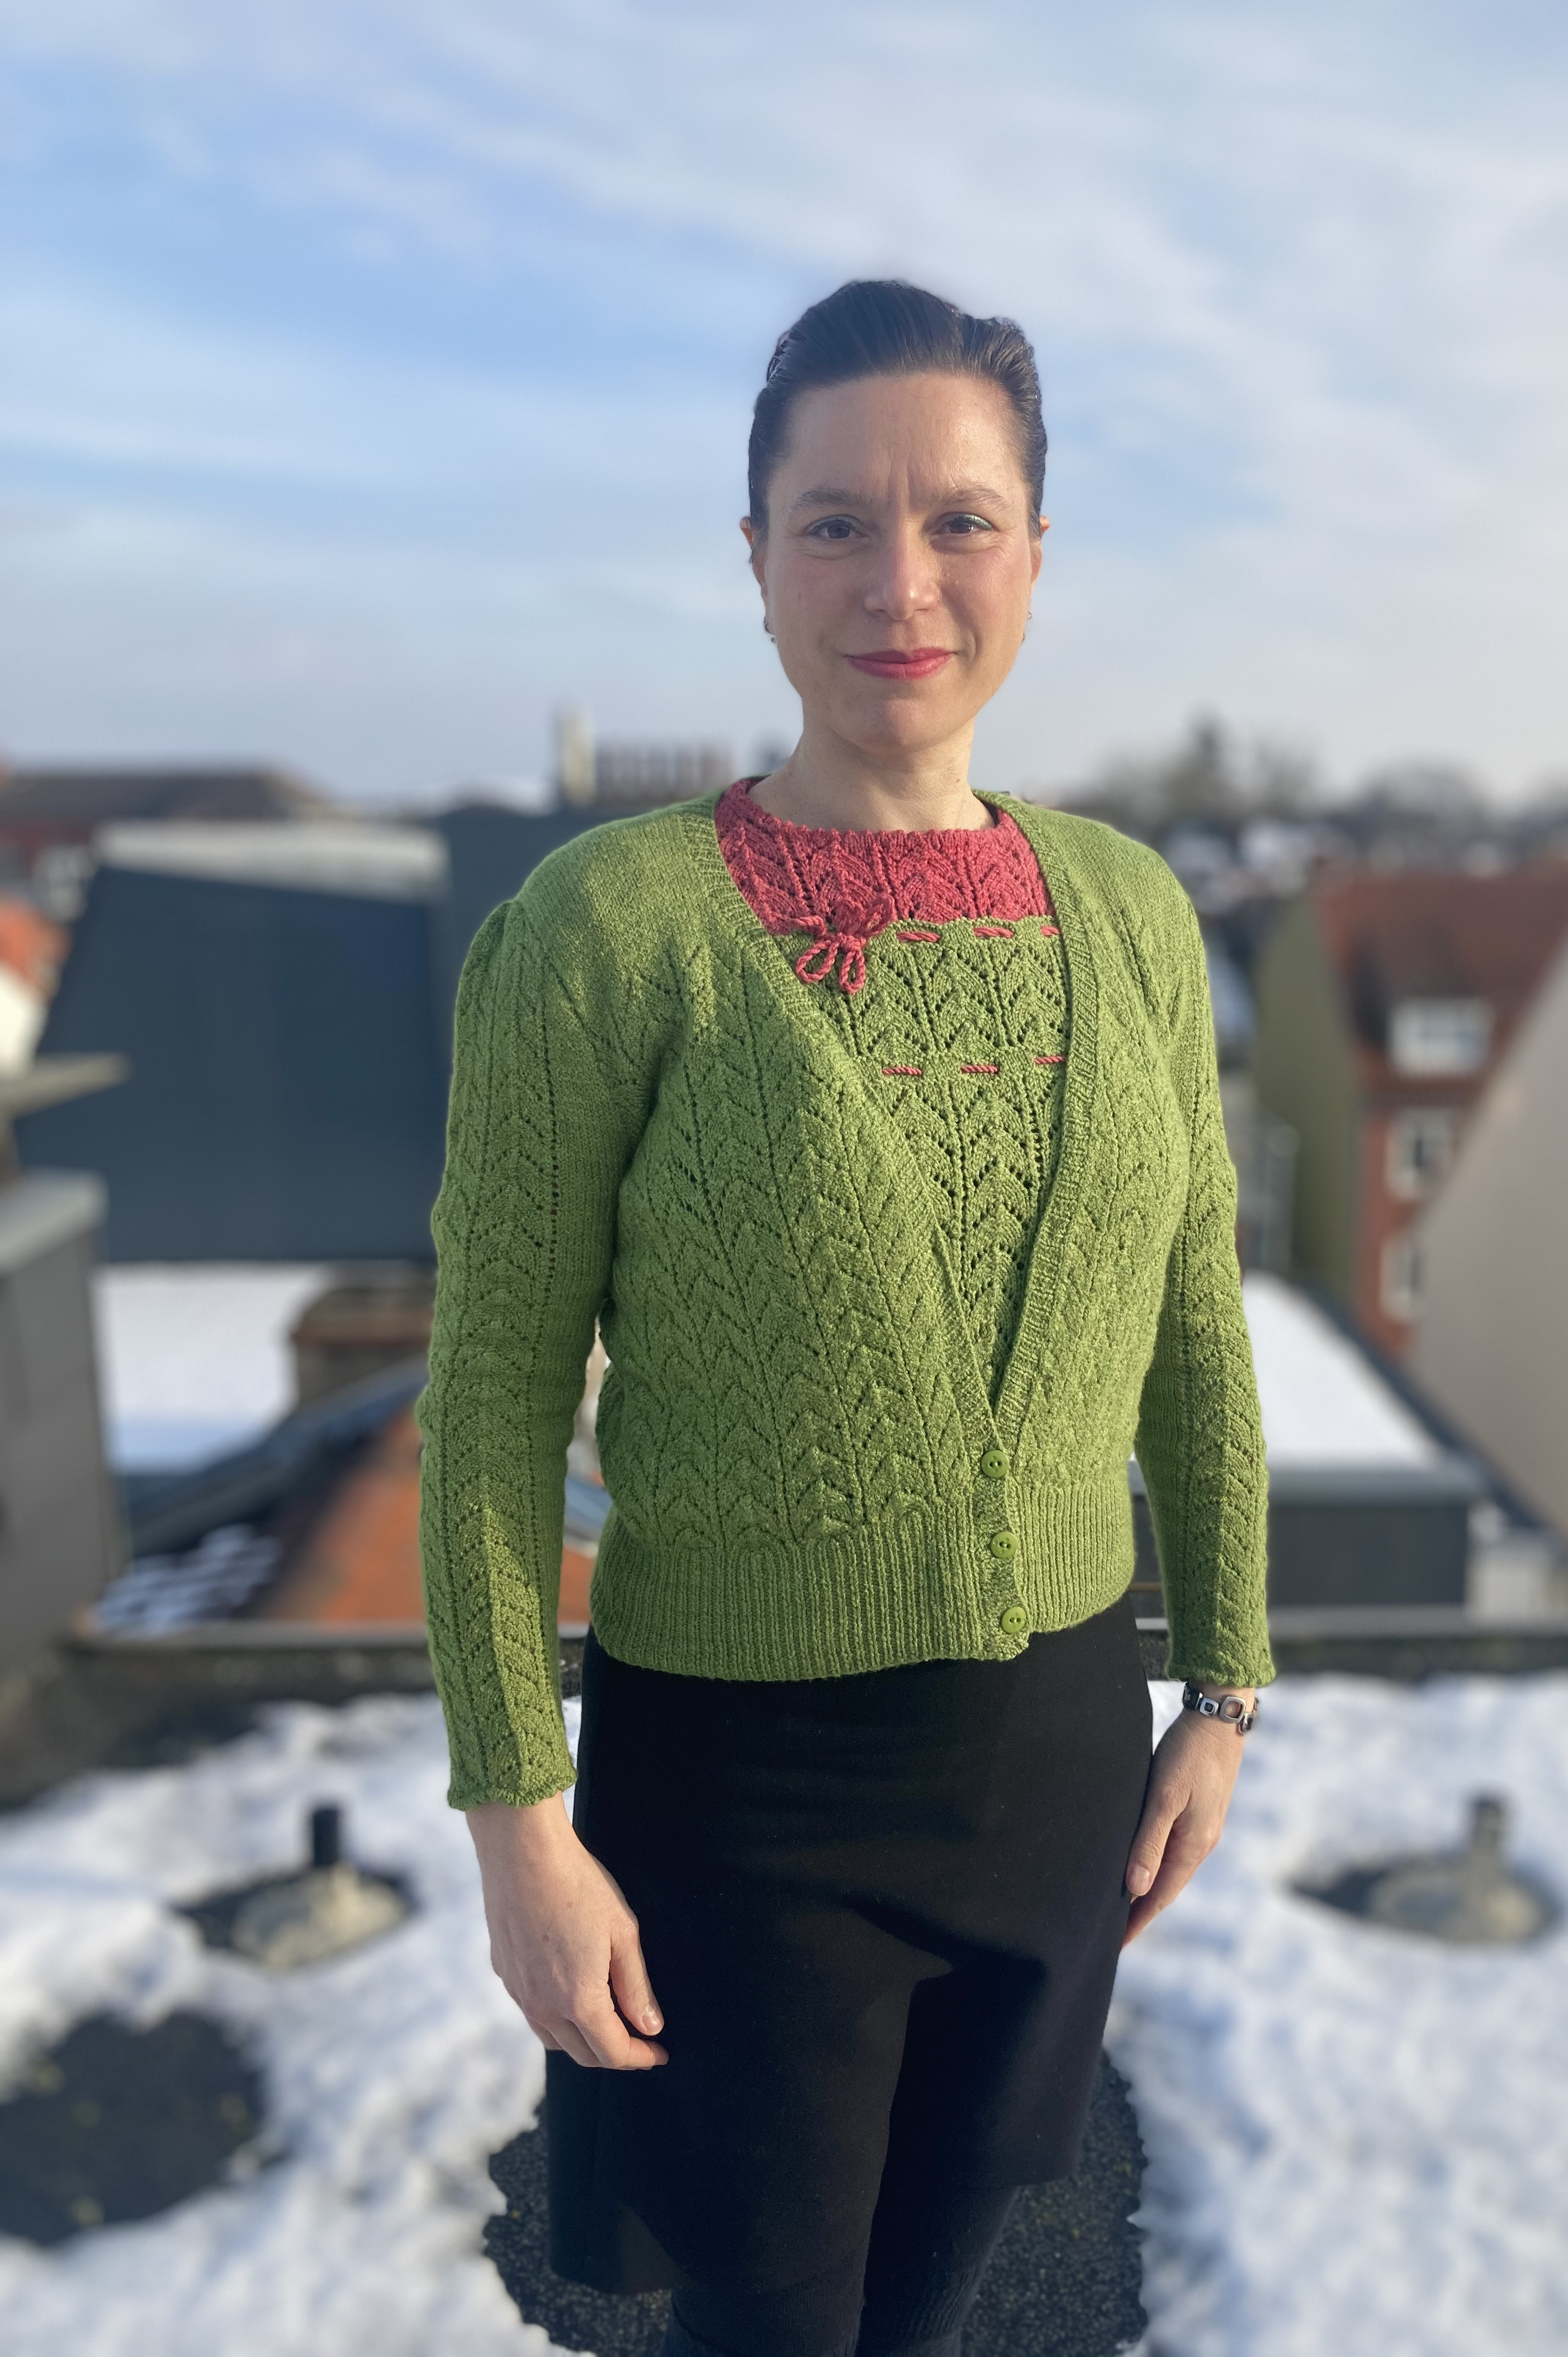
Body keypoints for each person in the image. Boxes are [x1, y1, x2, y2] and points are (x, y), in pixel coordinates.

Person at [418, 278, 1272, 2357]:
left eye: (960, 519)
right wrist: (519, 1819)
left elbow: (1197, 1327)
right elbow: (492, 1401)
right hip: (742, 1794)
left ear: (1035, 553)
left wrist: (1225, 1685)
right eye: (835, 524)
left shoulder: (1133, 913)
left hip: (1059, 1767)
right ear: (756, 557)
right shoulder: (604, 933)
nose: (901, 584)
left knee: (934, 2303)